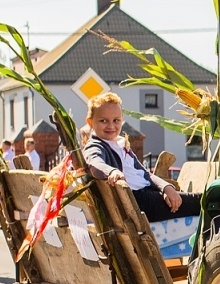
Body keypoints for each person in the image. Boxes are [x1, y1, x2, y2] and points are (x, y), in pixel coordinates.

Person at [82, 92, 199, 224]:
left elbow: (144, 173)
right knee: (204, 202)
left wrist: (166, 187)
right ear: (90, 122)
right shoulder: (95, 146)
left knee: (202, 200)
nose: (111, 126)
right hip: (137, 202)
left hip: (147, 194)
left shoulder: (120, 144)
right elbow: (95, 163)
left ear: (122, 120)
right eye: (103, 121)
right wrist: (112, 171)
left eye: (116, 120)